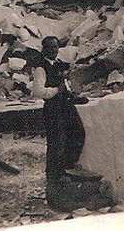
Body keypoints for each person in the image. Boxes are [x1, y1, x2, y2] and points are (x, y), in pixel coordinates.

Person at [32, 36, 85, 181]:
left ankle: (67, 167)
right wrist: (57, 90)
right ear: (44, 49)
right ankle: (54, 176)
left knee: (78, 133)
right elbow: (38, 91)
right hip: (53, 107)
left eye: (55, 47)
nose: (53, 50)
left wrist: (71, 92)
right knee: (56, 142)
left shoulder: (59, 64)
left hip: (66, 105)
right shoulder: (41, 68)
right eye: (50, 47)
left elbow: (65, 82)